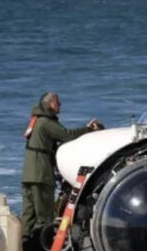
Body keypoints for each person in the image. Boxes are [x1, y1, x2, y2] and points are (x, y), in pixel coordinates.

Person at [21, 92, 103, 238]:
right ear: (50, 104)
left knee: (29, 215)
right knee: (45, 216)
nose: (60, 105)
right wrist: (89, 129)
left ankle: (24, 244)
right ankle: (42, 245)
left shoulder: (36, 121)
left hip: (29, 175)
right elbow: (67, 135)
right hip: (41, 175)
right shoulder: (46, 122)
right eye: (57, 102)